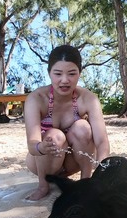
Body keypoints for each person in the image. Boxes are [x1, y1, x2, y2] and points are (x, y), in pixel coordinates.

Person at [24, 44, 110, 200]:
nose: (64, 80)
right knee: (54, 136)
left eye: (71, 73)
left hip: (72, 162)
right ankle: (43, 186)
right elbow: (32, 145)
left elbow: (101, 141)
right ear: (49, 73)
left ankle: (85, 182)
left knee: (83, 127)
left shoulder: (88, 99)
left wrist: (102, 167)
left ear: (79, 73)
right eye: (58, 74)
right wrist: (42, 146)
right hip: (41, 162)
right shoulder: (36, 99)